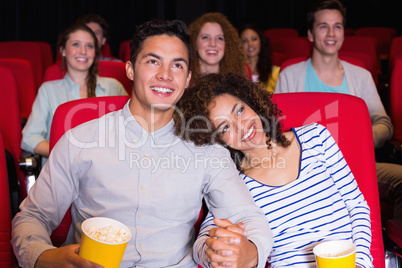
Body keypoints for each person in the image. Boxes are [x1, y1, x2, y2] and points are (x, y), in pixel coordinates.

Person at [12, 19, 272, 268]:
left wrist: (251, 252)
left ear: (188, 79)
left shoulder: (208, 150)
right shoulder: (80, 140)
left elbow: (246, 216)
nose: (166, 75)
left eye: (177, 66)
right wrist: (41, 257)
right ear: (130, 69)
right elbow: (33, 217)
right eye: (152, 61)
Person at [174, 72, 373, 268]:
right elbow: (204, 242)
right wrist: (215, 253)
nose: (241, 126)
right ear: (216, 140)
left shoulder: (316, 137)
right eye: (225, 128)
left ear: (251, 103)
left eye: (240, 111)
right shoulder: (234, 183)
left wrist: (362, 263)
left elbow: (357, 205)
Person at [274, 0, 402, 220]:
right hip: (303, 168)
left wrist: (365, 139)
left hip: (357, 164)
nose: (331, 33)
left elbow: (384, 123)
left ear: (343, 32)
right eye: (323, 26)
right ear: (311, 34)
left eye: (338, 26)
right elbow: (275, 128)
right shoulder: (289, 75)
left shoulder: (360, 76)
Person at [21, 23, 127, 165]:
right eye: (76, 44)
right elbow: (30, 137)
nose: (83, 51)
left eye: (89, 46)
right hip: (62, 168)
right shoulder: (48, 90)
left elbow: (132, 130)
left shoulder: (113, 87)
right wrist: (66, 154)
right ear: (63, 50)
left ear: (96, 52)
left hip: (106, 169)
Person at [187, 12, 249, 83]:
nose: (213, 43)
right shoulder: (183, 84)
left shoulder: (238, 85)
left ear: (228, 45)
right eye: (205, 37)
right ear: (194, 42)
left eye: (219, 38)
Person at [239, 23, 280, 93]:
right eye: (244, 41)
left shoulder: (275, 72)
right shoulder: (235, 71)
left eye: (254, 39)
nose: (250, 44)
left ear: (261, 42)